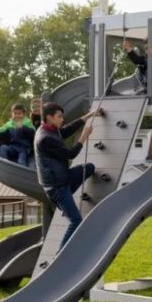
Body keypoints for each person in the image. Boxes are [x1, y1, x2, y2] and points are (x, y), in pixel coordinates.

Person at [34, 102, 104, 249]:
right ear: (49, 117)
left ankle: (65, 207)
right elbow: (70, 154)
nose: (62, 119)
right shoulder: (45, 139)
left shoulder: (51, 129)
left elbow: (66, 130)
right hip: (57, 187)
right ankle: (60, 256)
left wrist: (90, 114)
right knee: (76, 220)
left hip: (64, 179)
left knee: (88, 168)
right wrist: (84, 136)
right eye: (59, 117)